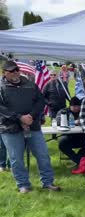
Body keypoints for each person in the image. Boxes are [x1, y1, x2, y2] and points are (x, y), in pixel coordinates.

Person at [0, 61, 61, 193]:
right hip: (10, 128)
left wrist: (31, 116)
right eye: (11, 70)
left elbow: (40, 100)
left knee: (43, 154)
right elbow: (1, 108)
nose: (16, 72)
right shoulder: (1, 86)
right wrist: (19, 117)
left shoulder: (30, 84)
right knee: (16, 158)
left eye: (17, 69)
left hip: (32, 125)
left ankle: (48, 182)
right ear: (4, 72)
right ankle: (23, 185)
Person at [56, 97, 85, 166]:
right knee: (62, 143)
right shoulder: (63, 111)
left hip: (82, 137)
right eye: (74, 106)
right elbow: (58, 122)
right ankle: (79, 160)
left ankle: (80, 159)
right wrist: (74, 122)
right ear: (70, 106)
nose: (76, 108)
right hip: (69, 137)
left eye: (78, 106)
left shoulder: (83, 112)